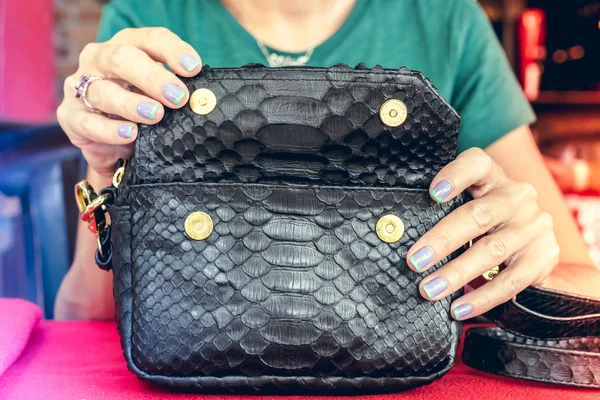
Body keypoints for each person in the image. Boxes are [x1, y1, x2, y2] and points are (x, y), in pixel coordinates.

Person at [55, 0, 600, 320]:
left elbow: (581, 279)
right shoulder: (148, 16)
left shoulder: (444, 17)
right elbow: (84, 317)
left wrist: (509, 255)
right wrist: (106, 173)